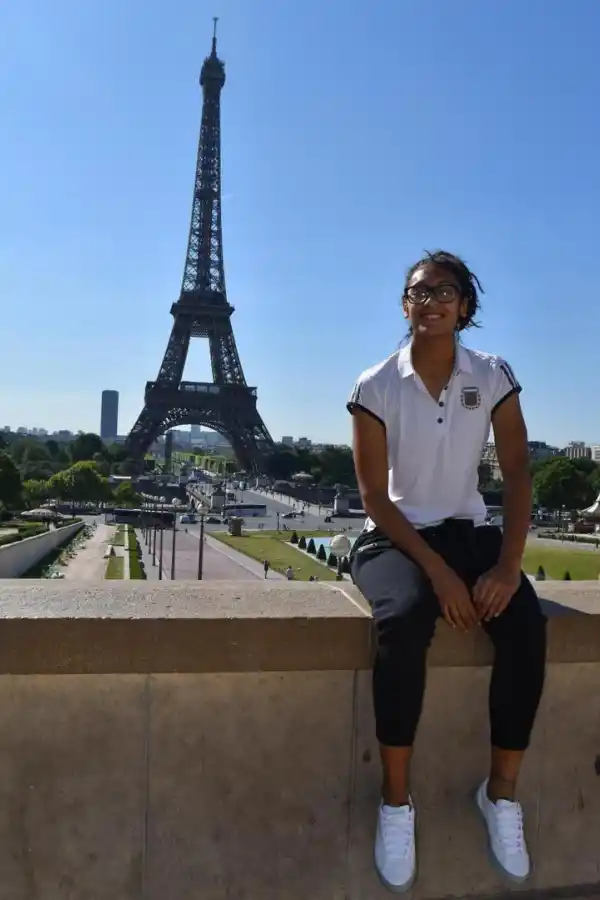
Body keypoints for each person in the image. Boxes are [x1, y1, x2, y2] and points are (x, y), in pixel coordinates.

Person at [347, 250, 546, 892]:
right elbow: (376, 501)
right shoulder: (375, 384)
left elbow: (517, 472)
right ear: (404, 304)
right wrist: (437, 572)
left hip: (467, 533)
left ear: (466, 305)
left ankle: (502, 795)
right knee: (403, 624)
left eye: (445, 290)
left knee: (524, 623)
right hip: (394, 539)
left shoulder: (491, 375)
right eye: (418, 290)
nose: (430, 298)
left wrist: (509, 566)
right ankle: (396, 804)